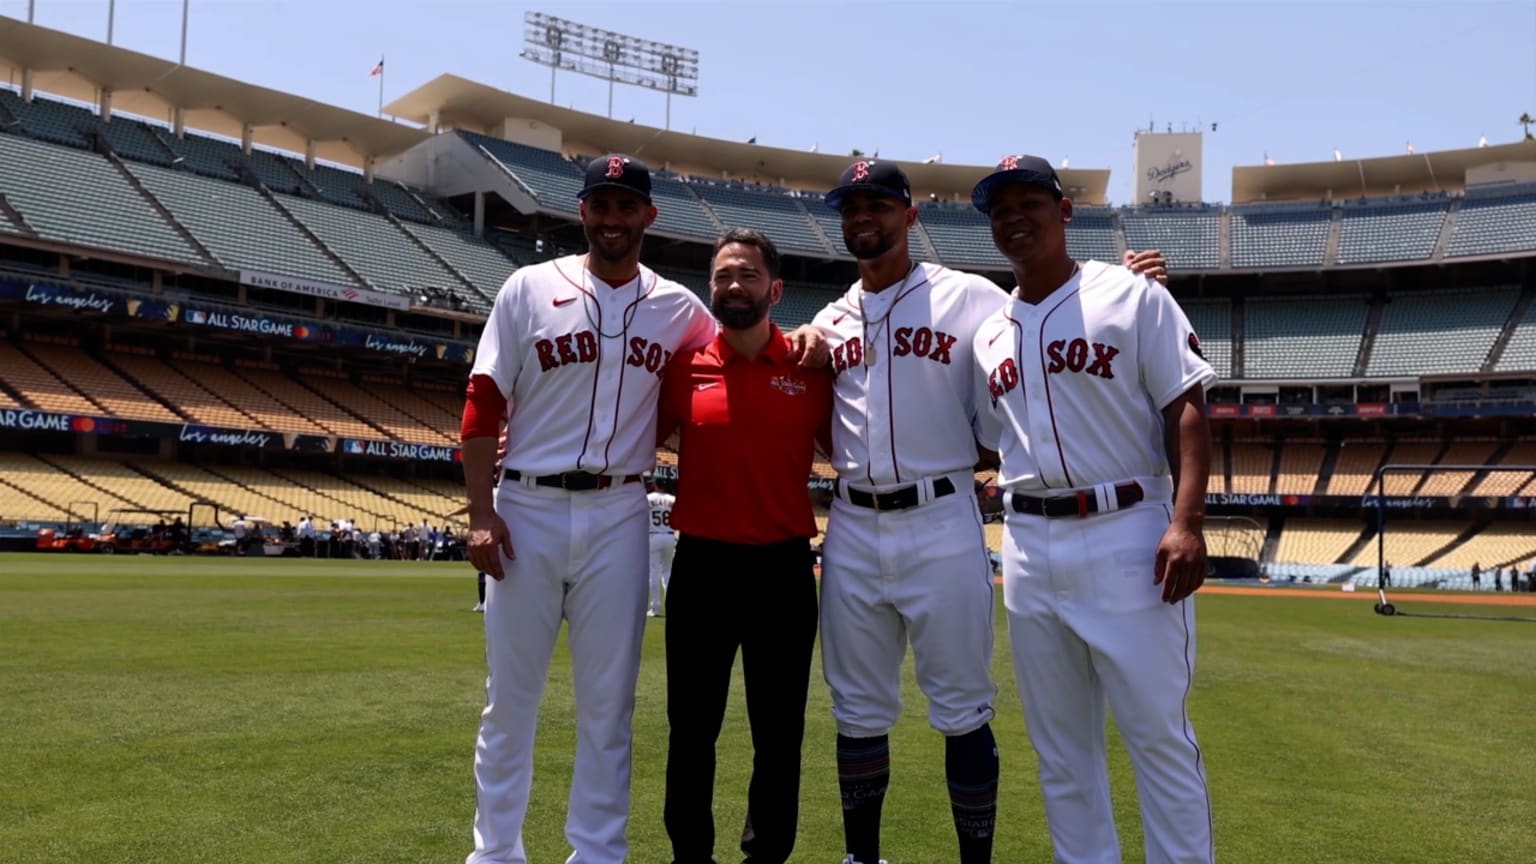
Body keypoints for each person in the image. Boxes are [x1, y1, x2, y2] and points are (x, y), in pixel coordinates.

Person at [460, 153, 824, 864]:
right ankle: (495, 851)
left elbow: (743, 351)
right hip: (526, 505)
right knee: (510, 700)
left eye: (626, 205)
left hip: (619, 511)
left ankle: (597, 852)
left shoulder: (681, 310)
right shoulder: (528, 287)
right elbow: (482, 403)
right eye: (601, 203)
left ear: (648, 217)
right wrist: (480, 510)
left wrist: (812, 338)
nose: (612, 217)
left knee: (609, 705)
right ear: (583, 211)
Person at [809, 159, 1167, 864]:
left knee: (964, 705)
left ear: (910, 218)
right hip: (850, 521)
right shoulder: (827, 321)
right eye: (851, 208)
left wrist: (1126, 290)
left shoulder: (970, 297)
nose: (863, 218)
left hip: (940, 515)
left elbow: (1045, 321)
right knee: (856, 706)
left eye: (878, 205)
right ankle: (861, 856)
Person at [969, 154, 1216, 864]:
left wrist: (1187, 520)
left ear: (1064, 211)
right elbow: (994, 440)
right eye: (999, 209)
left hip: (1128, 531)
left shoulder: (1132, 295)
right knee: (1061, 751)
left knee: (1158, 738)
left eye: (1029, 203)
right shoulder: (991, 332)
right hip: (1028, 545)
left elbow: (1187, 407)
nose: (1014, 218)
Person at [654, 228, 832, 864]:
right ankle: (690, 855)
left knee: (779, 733)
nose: (734, 286)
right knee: (691, 731)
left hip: (783, 571)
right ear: (711, 287)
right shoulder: (684, 366)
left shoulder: (814, 367)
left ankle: (766, 855)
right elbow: (621, 430)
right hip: (701, 567)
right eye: (724, 275)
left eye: (748, 275)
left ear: (775, 289)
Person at [645, 476, 678, 617]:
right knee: (667, 572)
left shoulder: (648, 498)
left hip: (653, 535)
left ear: (655, 485)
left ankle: (655, 607)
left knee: (653, 573)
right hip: (670, 535)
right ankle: (672, 606)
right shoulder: (673, 499)